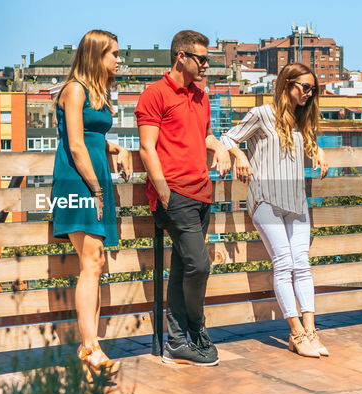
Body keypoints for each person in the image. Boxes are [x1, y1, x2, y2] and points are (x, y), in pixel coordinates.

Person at [220, 63, 331, 358]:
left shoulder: (301, 119)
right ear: (287, 84)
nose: (309, 93)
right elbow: (227, 137)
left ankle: (310, 331)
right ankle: (295, 333)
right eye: (305, 87)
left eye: (313, 89)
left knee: (302, 265)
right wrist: (239, 154)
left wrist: (318, 150)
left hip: (296, 201)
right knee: (284, 263)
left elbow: (306, 145)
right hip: (266, 199)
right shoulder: (261, 114)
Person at [135, 30, 232, 366]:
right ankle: (197, 328)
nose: (207, 65)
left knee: (183, 268)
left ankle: (177, 341)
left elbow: (204, 135)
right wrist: (162, 188)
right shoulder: (154, 94)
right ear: (181, 57)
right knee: (199, 265)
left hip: (202, 192)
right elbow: (147, 147)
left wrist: (220, 146)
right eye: (201, 59)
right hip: (173, 194)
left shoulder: (201, 96)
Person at [49, 29, 131, 376]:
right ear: (95, 56)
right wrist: (97, 190)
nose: (118, 59)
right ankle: (90, 348)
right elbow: (76, 145)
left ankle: (91, 348)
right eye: (113, 53)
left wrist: (118, 147)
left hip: (94, 179)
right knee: (92, 262)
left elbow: (94, 137)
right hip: (79, 181)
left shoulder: (97, 93)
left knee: (95, 263)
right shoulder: (74, 89)